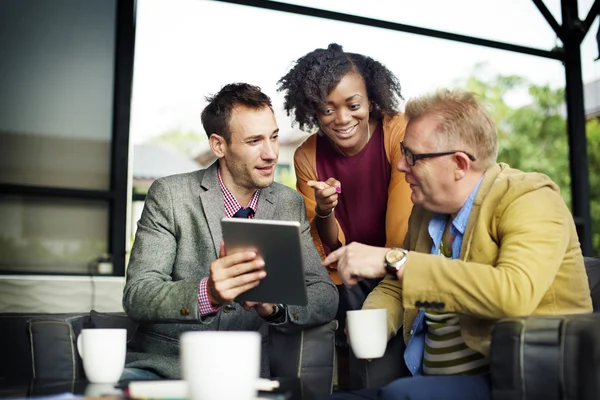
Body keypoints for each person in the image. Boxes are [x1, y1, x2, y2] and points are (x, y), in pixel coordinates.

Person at [321, 88, 593, 400]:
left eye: (413, 156)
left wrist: (394, 259)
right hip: (428, 382)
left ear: (459, 164)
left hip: (517, 382)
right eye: (402, 151)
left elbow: (514, 293)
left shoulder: (530, 198)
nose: (400, 166)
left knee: (401, 395)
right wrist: (373, 323)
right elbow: (397, 286)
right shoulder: (426, 211)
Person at [122, 83, 338, 380]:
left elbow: (325, 295)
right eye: (254, 141)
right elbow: (138, 294)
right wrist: (207, 292)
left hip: (244, 375)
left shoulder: (289, 204)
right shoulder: (170, 195)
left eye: (273, 138)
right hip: (165, 368)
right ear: (219, 145)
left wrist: (273, 306)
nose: (271, 153)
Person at [277, 43, 413, 352]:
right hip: (347, 276)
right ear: (313, 109)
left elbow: (400, 231)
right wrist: (325, 211)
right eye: (328, 109)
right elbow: (328, 247)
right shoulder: (307, 155)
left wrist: (384, 263)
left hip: (398, 264)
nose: (341, 118)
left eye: (353, 105)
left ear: (371, 100)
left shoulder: (397, 132)